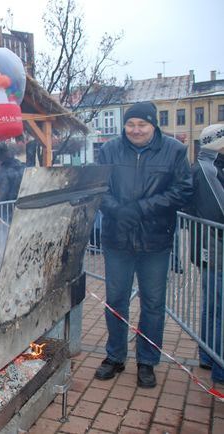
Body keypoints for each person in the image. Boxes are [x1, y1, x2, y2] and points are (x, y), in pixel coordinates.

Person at [95, 101, 192, 388]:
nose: (136, 130)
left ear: (154, 125)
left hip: (155, 240)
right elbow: (99, 187)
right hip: (118, 239)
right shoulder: (109, 149)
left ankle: (147, 361)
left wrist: (141, 208)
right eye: (131, 124)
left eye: (142, 124)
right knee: (115, 301)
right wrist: (117, 211)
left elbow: (183, 190)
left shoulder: (174, 150)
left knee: (152, 303)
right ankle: (115, 356)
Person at [190, 124, 224, 384]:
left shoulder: (211, 167)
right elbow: (218, 212)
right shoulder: (207, 169)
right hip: (214, 248)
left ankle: (208, 355)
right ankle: (217, 363)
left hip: (211, 247)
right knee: (217, 308)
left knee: (213, 306)